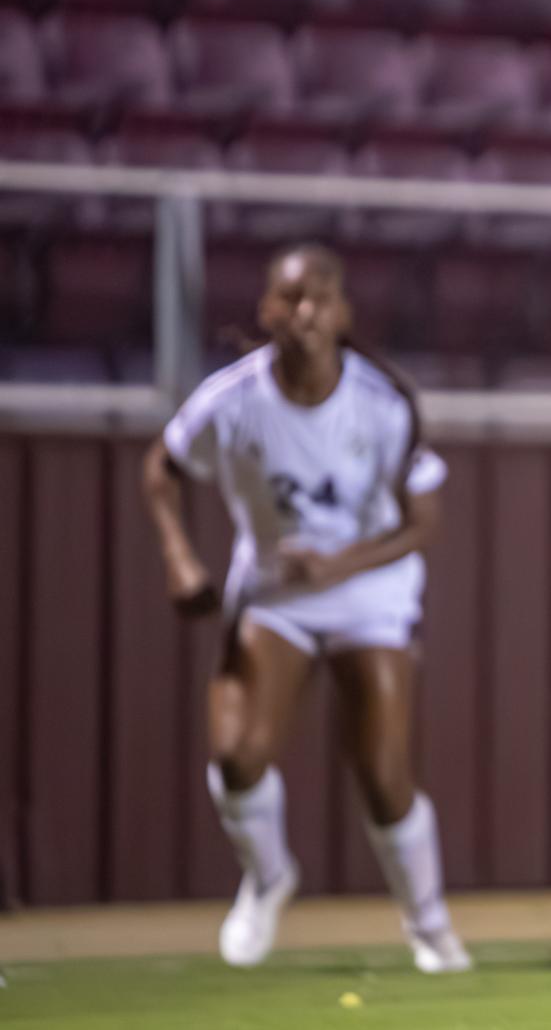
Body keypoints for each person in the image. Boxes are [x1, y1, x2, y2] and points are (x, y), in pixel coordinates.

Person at [138, 245, 471, 975]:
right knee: (236, 756)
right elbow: (161, 465)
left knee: (384, 775)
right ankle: (267, 877)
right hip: (276, 594)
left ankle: (429, 925)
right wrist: (180, 558)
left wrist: (338, 564)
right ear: (265, 311)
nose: (305, 312)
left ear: (344, 313)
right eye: (289, 298)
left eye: (320, 297)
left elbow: (424, 522)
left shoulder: (384, 403)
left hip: (368, 594)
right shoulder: (232, 399)